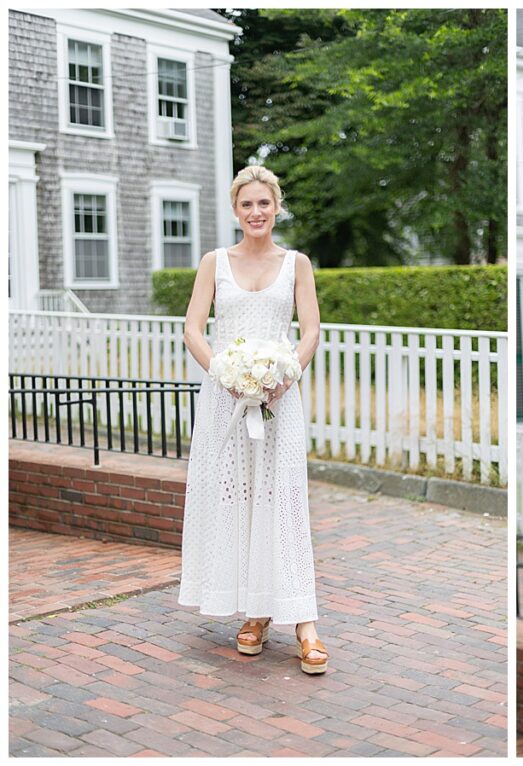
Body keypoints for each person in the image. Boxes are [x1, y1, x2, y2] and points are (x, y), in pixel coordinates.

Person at [178, 165, 328, 674]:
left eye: (264, 203)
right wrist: (224, 372)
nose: (256, 212)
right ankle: (256, 613)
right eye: (247, 205)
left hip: (280, 401)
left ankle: (304, 623)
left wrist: (286, 374)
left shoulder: (296, 264)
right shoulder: (214, 263)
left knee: (281, 501)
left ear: (277, 207)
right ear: (235, 210)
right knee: (235, 500)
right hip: (225, 400)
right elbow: (193, 329)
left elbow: (309, 331)